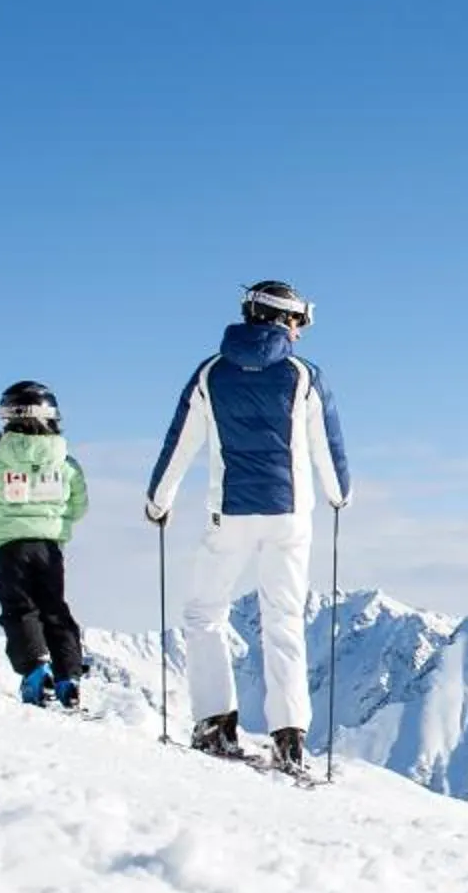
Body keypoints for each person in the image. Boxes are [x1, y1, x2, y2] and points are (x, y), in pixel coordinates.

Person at [143, 281, 351, 771]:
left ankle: (215, 725)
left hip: (230, 512)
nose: (300, 333)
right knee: (283, 619)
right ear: (285, 319)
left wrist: (158, 500)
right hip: (290, 514)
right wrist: (339, 494)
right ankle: (289, 738)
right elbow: (330, 443)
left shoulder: (211, 373)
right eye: (299, 322)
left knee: (204, 615)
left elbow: (180, 441)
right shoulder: (303, 376)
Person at [0, 381, 91, 708]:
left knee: (20, 609)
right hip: (50, 550)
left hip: (10, 548)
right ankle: (69, 679)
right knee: (55, 609)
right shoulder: (67, 465)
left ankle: (36, 672)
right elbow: (79, 507)